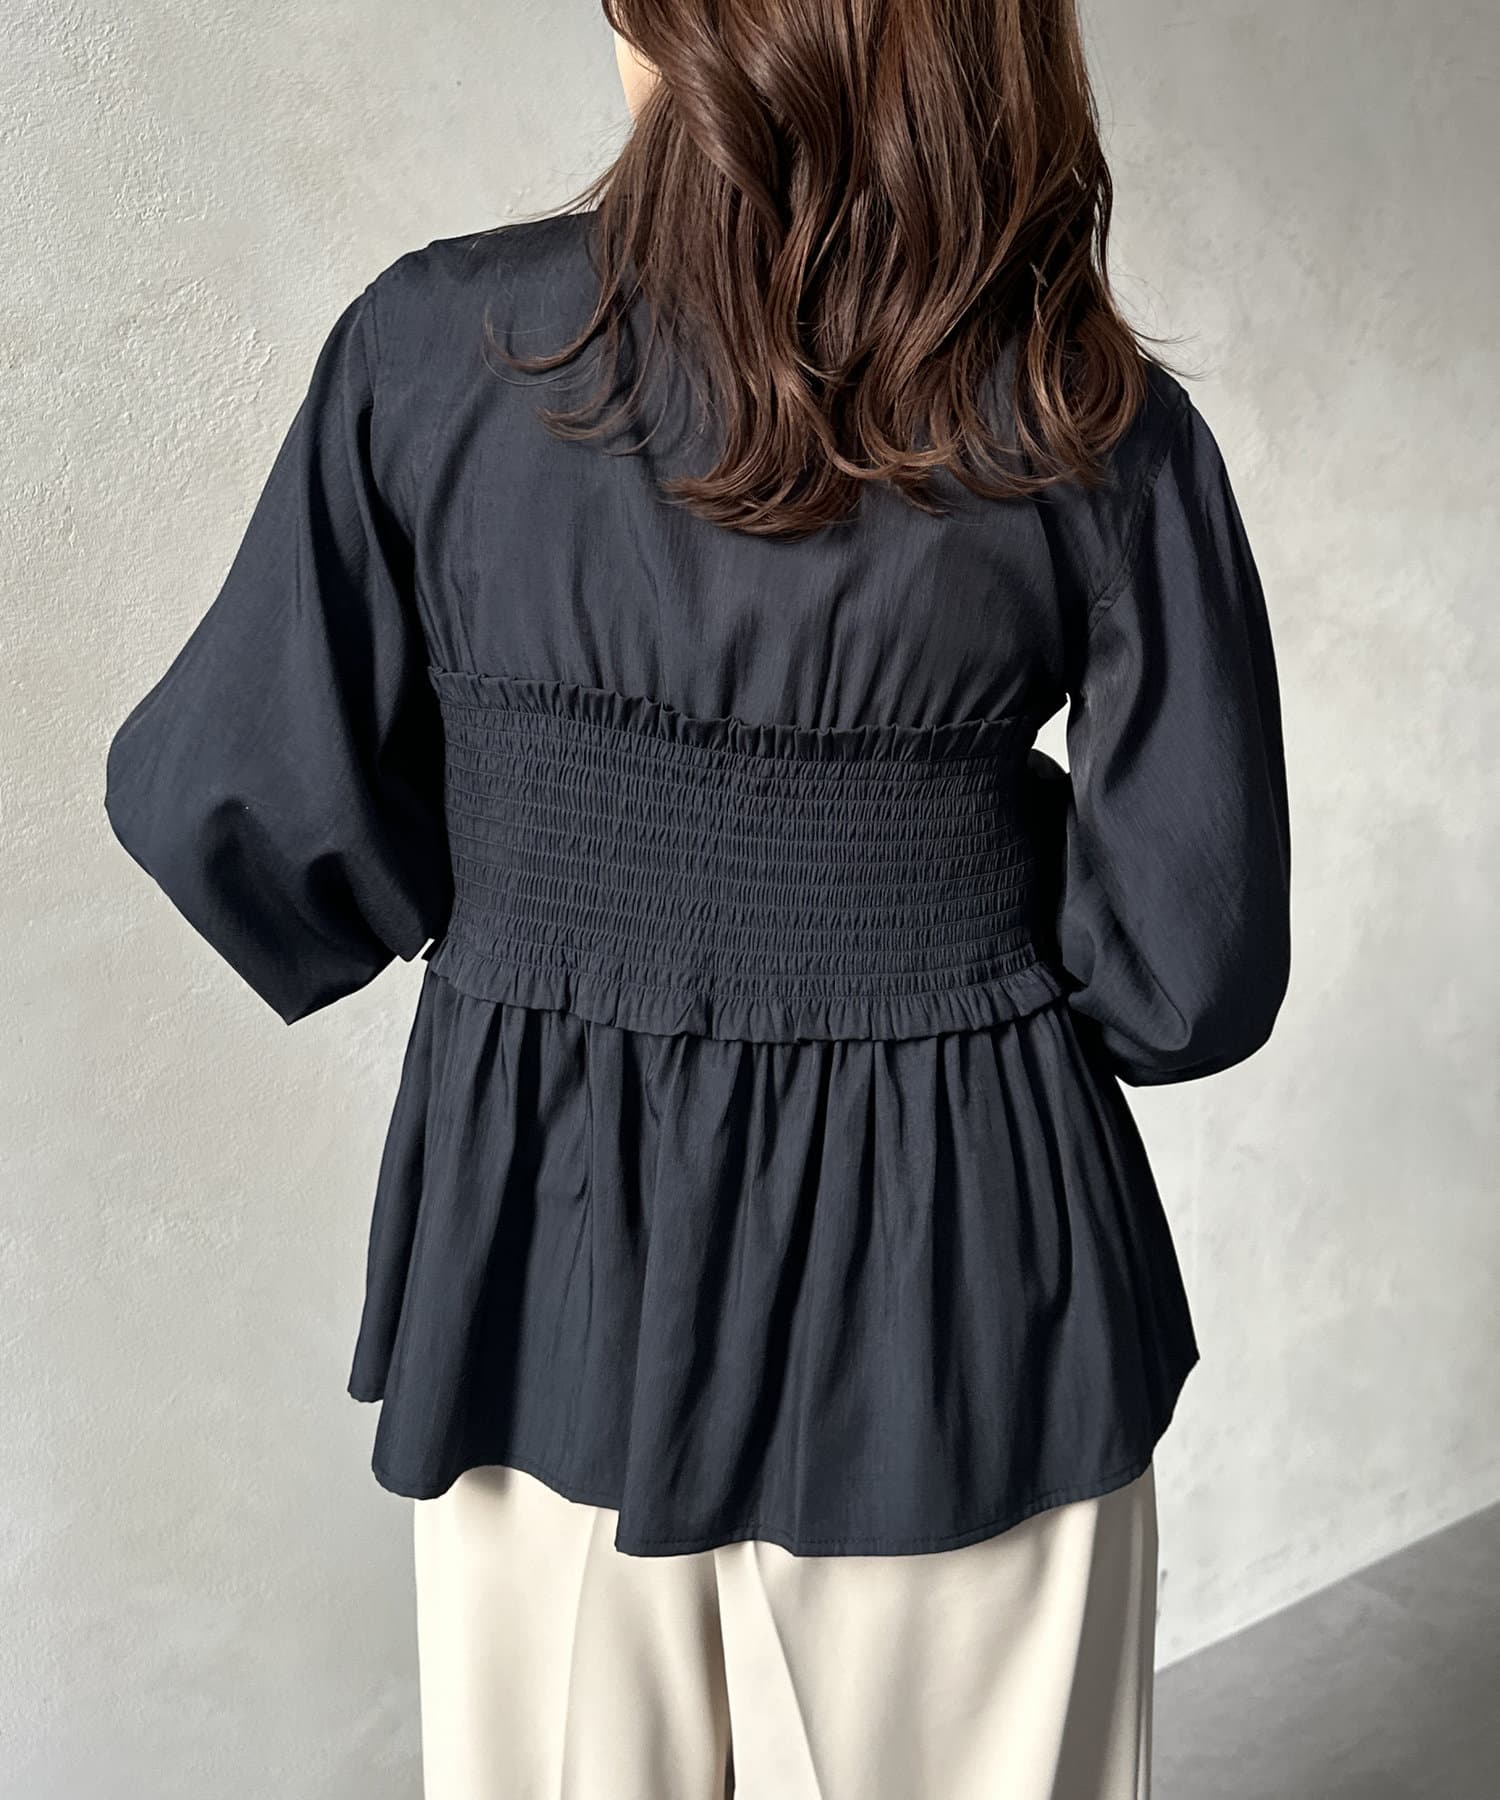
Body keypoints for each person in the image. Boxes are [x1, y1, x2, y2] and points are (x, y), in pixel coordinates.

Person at [102, 0, 1292, 1794]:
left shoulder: (435, 346)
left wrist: (545, 864)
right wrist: (934, 863)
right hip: (961, 1273)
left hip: (547, 1246)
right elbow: (1188, 970)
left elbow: (230, 799)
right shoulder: (1086, 412)